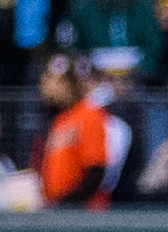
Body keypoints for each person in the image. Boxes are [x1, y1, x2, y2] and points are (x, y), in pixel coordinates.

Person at [38, 56, 129, 208]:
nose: (50, 87)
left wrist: (65, 203)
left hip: (84, 214)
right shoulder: (60, 119)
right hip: (60, 213)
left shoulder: (90, 114)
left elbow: (96, 172)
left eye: (61, 81)